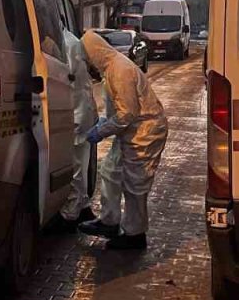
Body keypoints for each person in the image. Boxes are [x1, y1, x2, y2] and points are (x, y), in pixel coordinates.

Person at [78, 30, 168, 250]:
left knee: (135, 185)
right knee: (110, 172)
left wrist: (102, 130)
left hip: (144, 132)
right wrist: (103, 125)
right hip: (130, 131)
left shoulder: (120, 71)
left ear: (95, 54)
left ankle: (135, 235)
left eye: (87, 60)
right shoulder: (111, 69)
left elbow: (127, 113)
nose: (88, 66)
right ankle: (109, 221)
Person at [60, 30, 98, 229]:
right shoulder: (69, 42)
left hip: (77, 114)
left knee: (75, 167)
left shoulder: (67, 44)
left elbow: (68, 80)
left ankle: (71, 215)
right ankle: (82, 207)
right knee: (80, 166)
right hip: (81, 112)